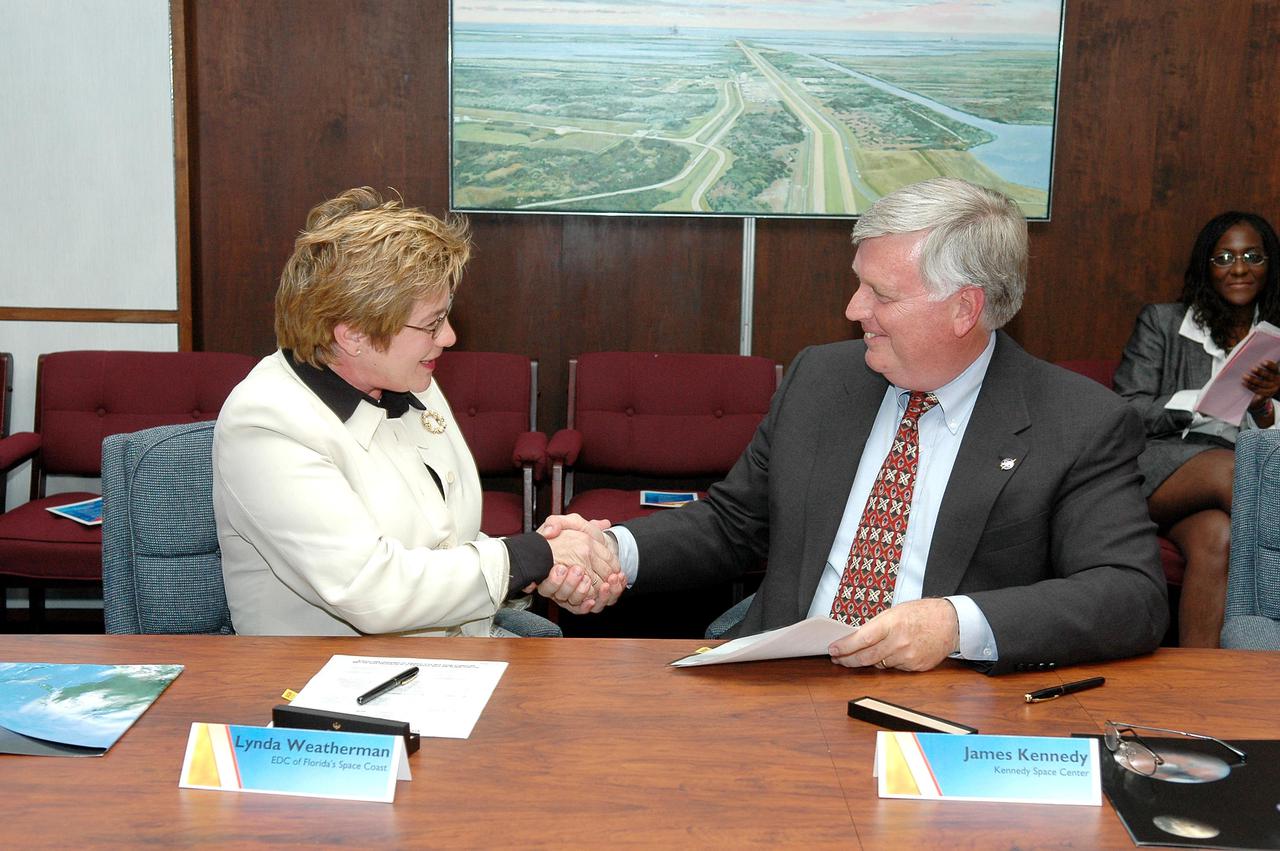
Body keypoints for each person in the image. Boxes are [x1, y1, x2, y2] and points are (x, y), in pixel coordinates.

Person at [544, 177, 1168, 674]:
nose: (854, 310)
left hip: (949, 695)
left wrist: (956, 624)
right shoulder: (825, 380)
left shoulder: (1079, 423)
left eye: (880, 294)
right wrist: (613, 550)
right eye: (857, 286)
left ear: (964, 308)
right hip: (785, 676)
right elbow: (736, 524)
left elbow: (1129, 595)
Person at [213, 187, 621, 636]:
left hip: (444, 661)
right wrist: (530, 556)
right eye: (431, 324)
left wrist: (539, 569)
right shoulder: (268, 423)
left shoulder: (407, 379)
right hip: (329, 682)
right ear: (352, 336)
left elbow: (445, 545)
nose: (447, 337)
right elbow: (370, 589)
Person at [1112, 211, 1280, 647]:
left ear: (1270, 264)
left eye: (1252, 256)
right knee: (1238, 470)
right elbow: (1126, 409)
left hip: (1236, 479)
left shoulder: (1275, 339)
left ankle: (1200, 691)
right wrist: (1199, 403)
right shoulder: (1163, 322)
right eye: (1223, 257)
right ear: (1206, 265)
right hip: (1158, 463)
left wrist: (1264, 407)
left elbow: (1268, 435)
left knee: (1217, 538)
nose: (1239, 267)